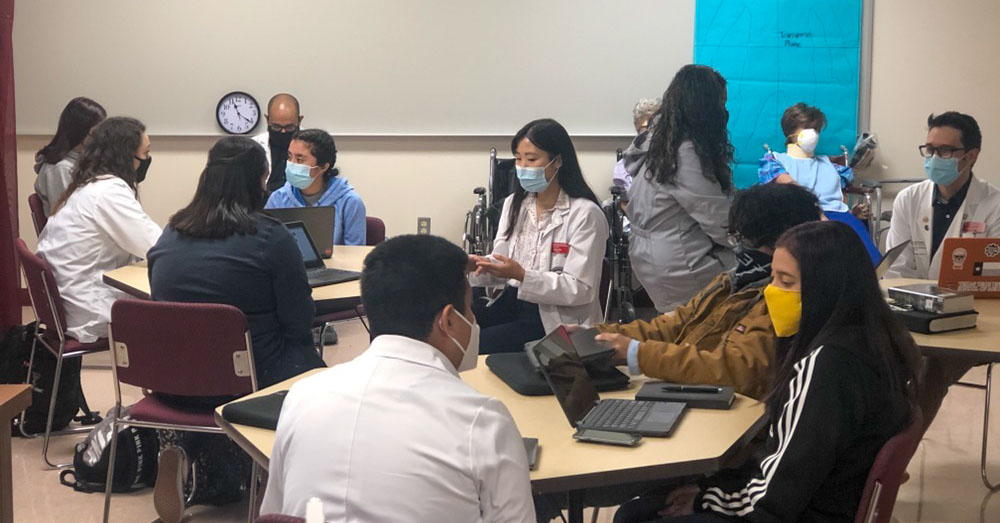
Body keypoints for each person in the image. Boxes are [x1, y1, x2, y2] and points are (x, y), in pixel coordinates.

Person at [617, 221, 921, 523]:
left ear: (825, 289)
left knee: (635, 516)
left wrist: (706, 499)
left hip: (799, 513)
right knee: (636, 512)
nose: (772, 291)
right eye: (772, 278)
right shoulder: (875, 340)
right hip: (823, 502)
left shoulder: (828, 364)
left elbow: (775, 498)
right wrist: (710, 489)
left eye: (786, 282)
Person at [261, 234, 535, 522]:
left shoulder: (303, 396)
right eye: (470, 310)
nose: (474, 321)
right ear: (449, 321)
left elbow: (274, 513)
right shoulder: (482, 420)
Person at [146, 137, 325, 522]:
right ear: (255, 183)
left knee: (216, 373)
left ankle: (187, 448)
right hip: (250, 381)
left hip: (173, 381)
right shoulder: (270, 236)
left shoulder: (171, 231)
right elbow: (299, 320)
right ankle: (283, 484)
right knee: (316, 376)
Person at [586, 183, 823, 400]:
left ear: (784, 243)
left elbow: (736, 370)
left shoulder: (783, 300)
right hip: (690, 393)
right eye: (736, 237)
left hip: (730, 414)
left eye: (749, 240)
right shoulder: (731, 281)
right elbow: (675, 325)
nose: (739, 248)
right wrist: (595, 335)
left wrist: (640, 355)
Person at [885, 111, 1000, 431]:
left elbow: (991, 283)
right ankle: (873, 450)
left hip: (969, 321)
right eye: (930, 149)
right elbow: (898, 268)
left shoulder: (994, 206)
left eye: (945, 151)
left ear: (971, 156)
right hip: (913, 312)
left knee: (929, 370)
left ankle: (894, 456)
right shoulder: (909, 200)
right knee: (868, 359)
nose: (935, 158)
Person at [468, 118, 608, 354]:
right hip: (512, 301)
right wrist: (478, 266)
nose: (522, 166)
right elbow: (501, 260)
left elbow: (581, 289)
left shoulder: (585, 214)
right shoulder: (515, 204)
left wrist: (522, 275)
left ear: (558, 161)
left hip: (553, 317)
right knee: (455, 330)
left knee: (477, 345)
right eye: (518, 158)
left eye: (531, 159)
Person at [36, 117, 161, 343]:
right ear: (125, 156)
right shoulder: (109, 193)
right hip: (88, 309)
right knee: (179, 308)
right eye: (145, 153)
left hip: (70, 301)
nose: (147, 161)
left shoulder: (88, 185)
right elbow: (155, 246)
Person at [625, 65, 735, 313]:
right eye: (721, 103)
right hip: (678, 260)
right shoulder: (685, 153)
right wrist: (754, 243)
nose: (724, 112)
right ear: (705, 108)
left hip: (655, 253)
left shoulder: (659, 140)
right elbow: (716, 217)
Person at [758, 103, 880, 264]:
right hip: (801, 218)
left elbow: (838, 199)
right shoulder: (775, 161)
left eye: (816, 129)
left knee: (871, 260)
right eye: (807, 127)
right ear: (790, 132)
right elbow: (793, 189)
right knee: (830, 262)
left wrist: (852, 213)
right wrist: (819, 213)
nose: (813, 134)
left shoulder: (832, 167)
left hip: (839, 218)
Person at [265, 128, 367, 246]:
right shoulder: (278, 198)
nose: (291, 163)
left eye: (300, 159)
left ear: (323, 167)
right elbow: (267, 245)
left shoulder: (349, 202)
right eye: (289, 157)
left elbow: (354, 254)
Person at [34, 97, 106, 215]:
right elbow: (69, 216)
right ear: (79, 132)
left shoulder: (82, 162)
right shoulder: (60, 169)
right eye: (95, 133)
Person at [253, 93, 303, 192]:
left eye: (289, 127)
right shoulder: (254, 146)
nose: (283, 132)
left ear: (299, 120)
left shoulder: (312, 145)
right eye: (276, 127)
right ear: (267, 120)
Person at [613, 98, 661, 195]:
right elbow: (623, 202)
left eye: (654, 127)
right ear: (637, 127)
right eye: (644, 128)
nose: (650, 133)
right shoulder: (623, 166)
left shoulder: (671, 161)